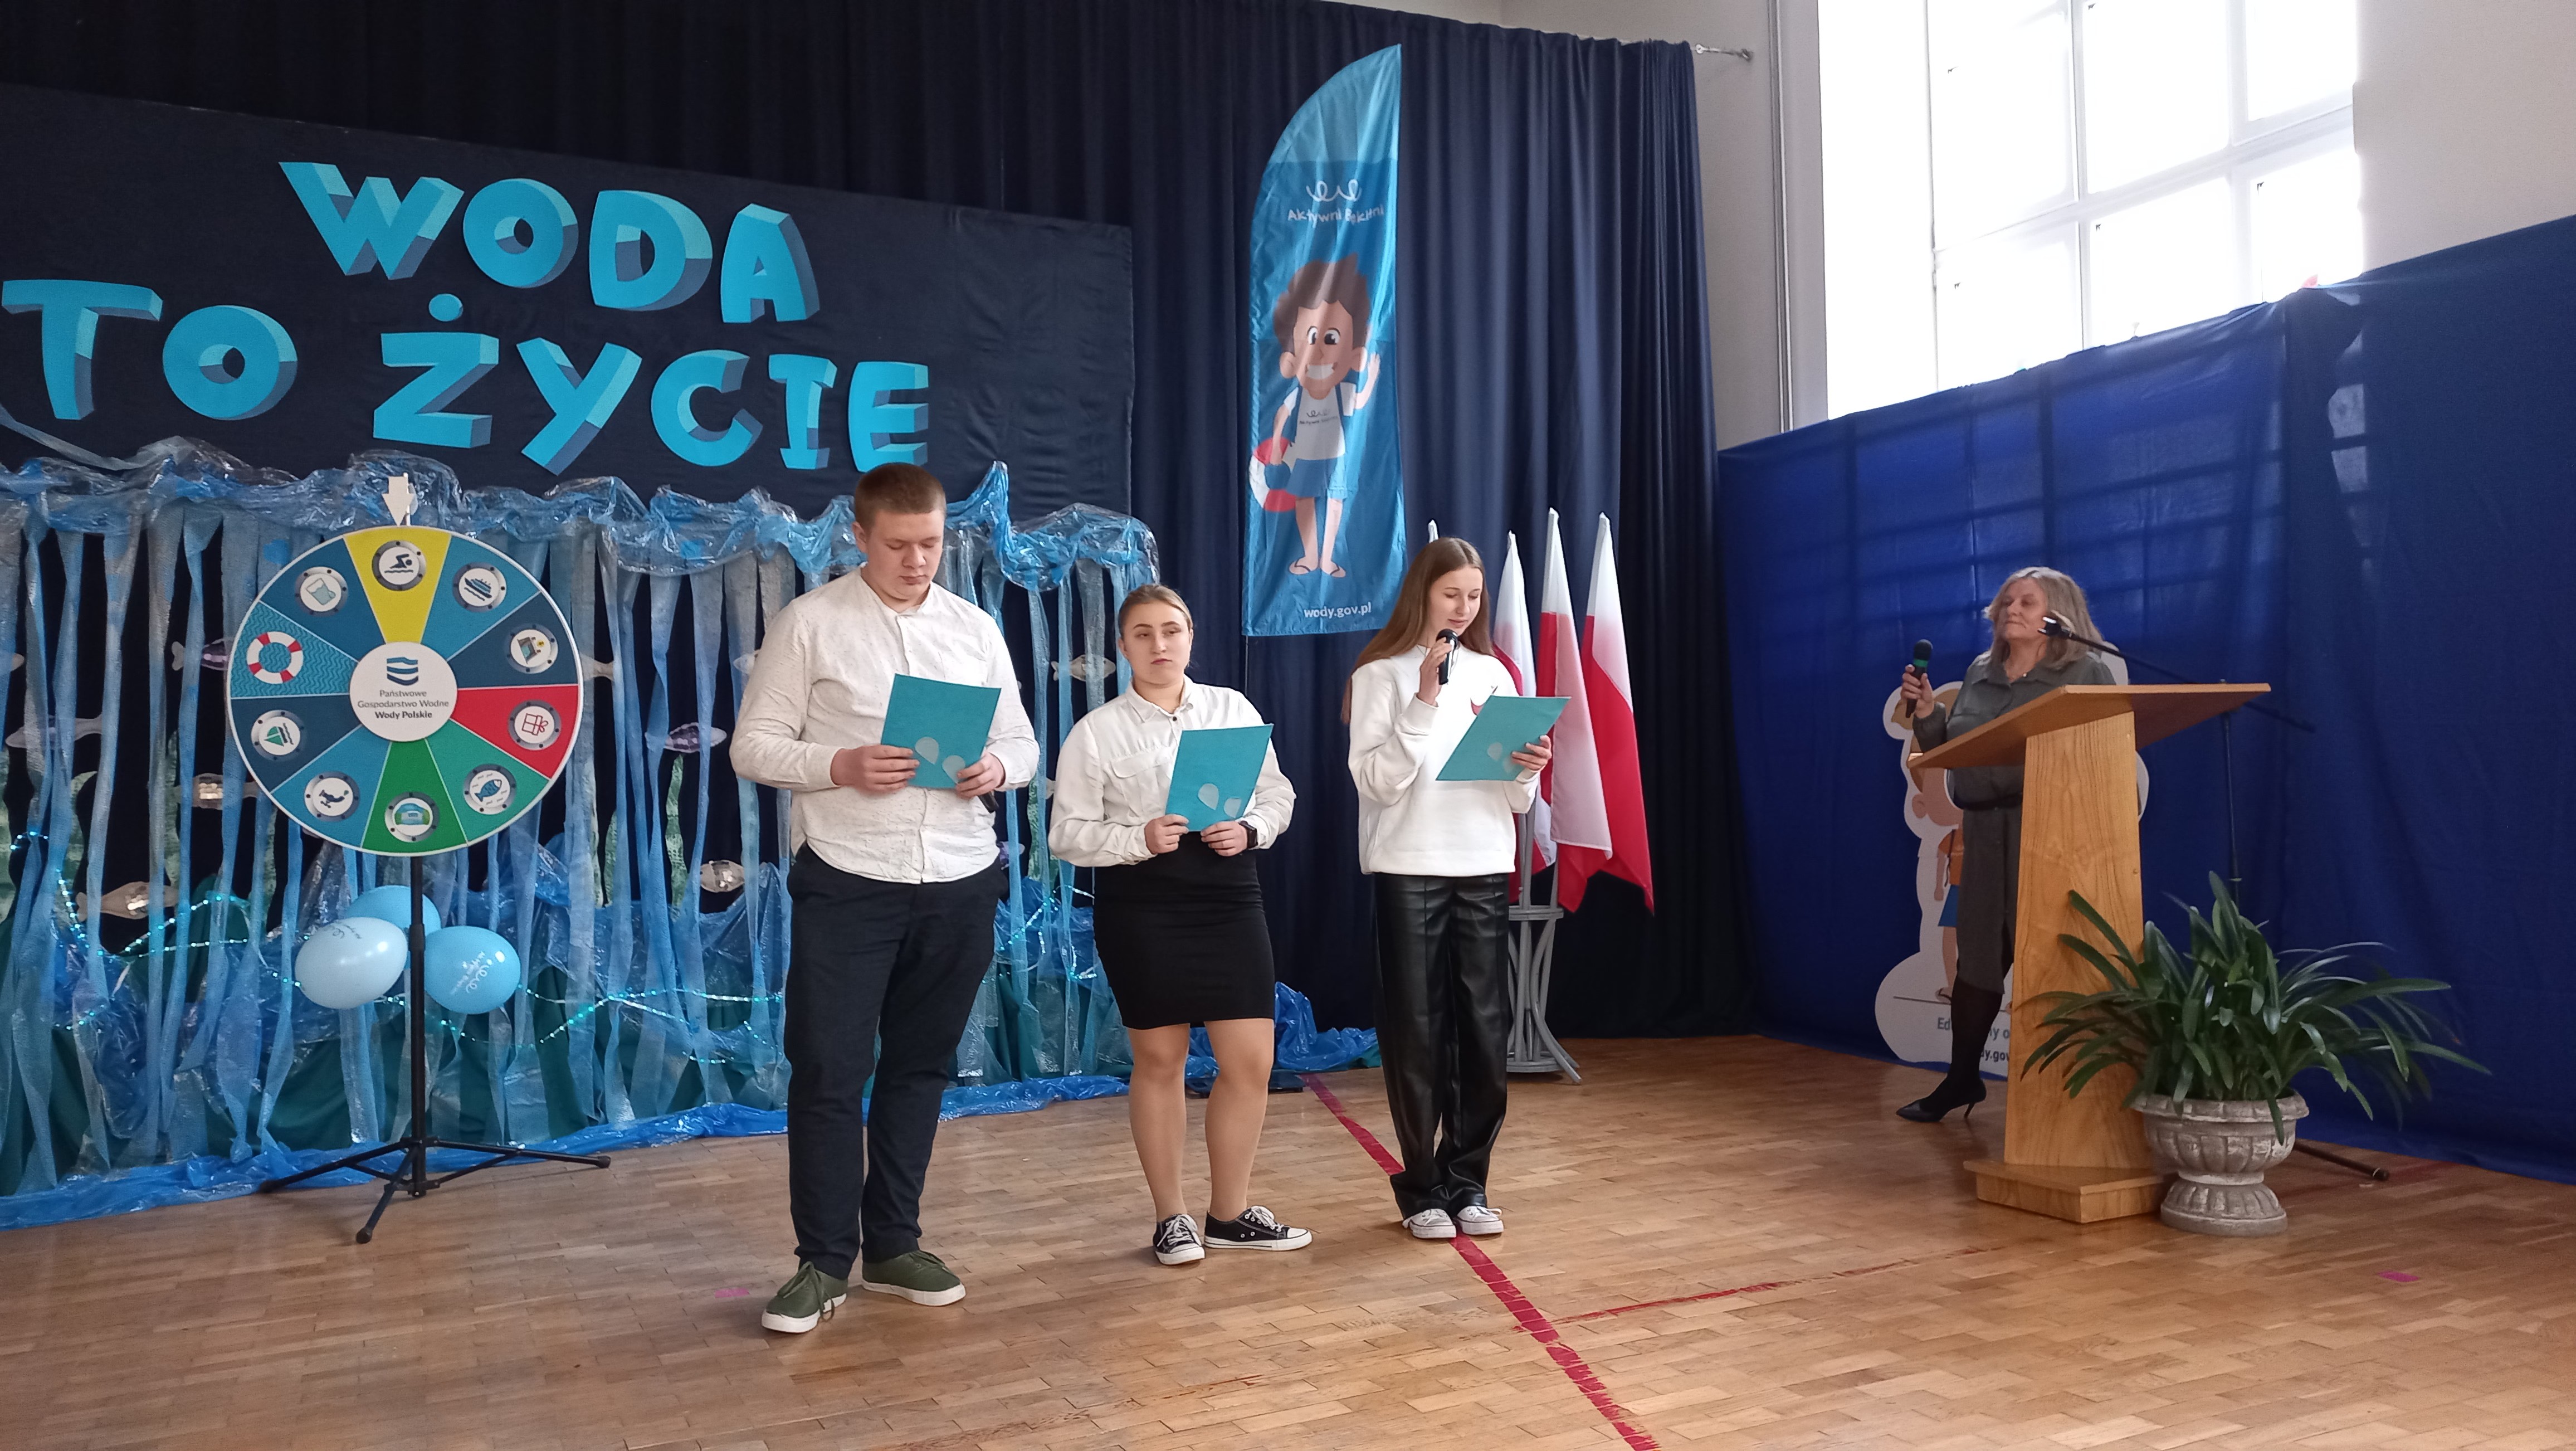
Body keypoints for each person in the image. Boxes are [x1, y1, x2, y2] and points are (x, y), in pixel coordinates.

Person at [731, 461, 1040, 1333]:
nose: (917, 561)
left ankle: (895, 1246)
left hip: (959, 875)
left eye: (931, 544)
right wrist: (840, 764)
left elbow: (1023, 743)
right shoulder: (810, 624)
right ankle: (823, 1262)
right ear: (858, 537)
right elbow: (752, 747)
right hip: (849, 876)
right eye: (899, 545)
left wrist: (997, 768)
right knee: (830, 1069)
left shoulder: (975, 629)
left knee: (920, 1066)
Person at [1048, 584, 1310, 1266]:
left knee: (1251, 1061)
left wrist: (1250, 828)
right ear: (1122, 646)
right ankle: (1172, 1218)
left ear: (1190, 636)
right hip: (1142, 903)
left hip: (1229, 895)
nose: (1159, 645)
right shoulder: (1096, 731)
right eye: (1142, 634)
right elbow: (1066, 834)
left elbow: (1277, 794)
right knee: (1160, 1062)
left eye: (1171, 630)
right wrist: (1136, 837)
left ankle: (1230, 1214)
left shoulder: (1232, 709)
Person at [1346, 538, 1551, 1240]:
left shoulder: (1495, 673)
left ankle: (1469, 1182)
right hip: (1408, 865)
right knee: (1417, 1032)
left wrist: (1529, 767)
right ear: (1422, 594)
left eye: (1473, 595)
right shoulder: (1380, 674)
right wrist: (1424, 699)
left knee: (1484, 1032)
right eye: (1450, 594)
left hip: (1483, 863)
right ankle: (1422, 1189)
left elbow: (1516, 800)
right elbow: (1377, 783)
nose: (1463, 608)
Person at [1896, 566, 2116, 1123]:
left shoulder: (2086, 672)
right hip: (1983, 831)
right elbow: (1953, 748)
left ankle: (2063, 1103)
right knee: (1976, 960)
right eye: (2005, 602)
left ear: (2057, 616)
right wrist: (1928, 714)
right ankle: (1961, 1080)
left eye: (2026, 602)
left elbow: (2106, 751)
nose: (2010, 610)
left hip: (2047, 831)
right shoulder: (1980, 671)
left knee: (2052, 962)